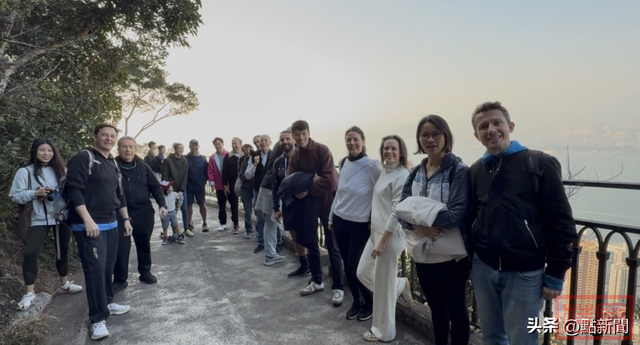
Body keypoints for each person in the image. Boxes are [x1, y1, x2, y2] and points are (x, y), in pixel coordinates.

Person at [467, 101, 576, 345]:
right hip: (483, 267)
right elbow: (471, 218)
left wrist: (556, 273)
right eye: (483, 126)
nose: (491, 129)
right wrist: (472, 262)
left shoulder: (538, 164)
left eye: (497, 122)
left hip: (525, 272)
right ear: (477, 136)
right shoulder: (476, 171)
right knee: (492, 335)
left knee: (522, 339)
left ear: (511, 126)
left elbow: (561, 221)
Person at [397, 115, 471, 345]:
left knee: (456, 310)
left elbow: (455, 214)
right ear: (419, 140)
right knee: (436, 309)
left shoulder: (458, 170)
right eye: (425, 135)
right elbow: (401, 211)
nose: (430, 139)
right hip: (424, 253)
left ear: (446, 136)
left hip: (451, 257)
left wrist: (418, 218)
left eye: (435, 134)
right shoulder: (416, 171)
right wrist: (419, 225)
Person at [64, 124, 132, 341]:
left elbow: (118, 194)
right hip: (89, 227)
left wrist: (126, 219)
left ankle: (108, 302)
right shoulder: (84, 157)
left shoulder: (111, 162)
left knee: (107, 267)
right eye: (105, 135)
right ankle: (97, 319)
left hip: (111, 224)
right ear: (95, 137)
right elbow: (73, 189)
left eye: (112, 136)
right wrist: (87, 220)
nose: (109, 139)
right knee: (94, 270)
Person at [9, 138, 83, 311]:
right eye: (42, 150)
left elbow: (71, 192)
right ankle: (29, 292)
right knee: (31, 252)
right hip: (38, 218)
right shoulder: (25, 172)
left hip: (60, 217)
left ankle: (64, 283)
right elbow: (14, 195)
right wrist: (35, 193)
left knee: (62, 251)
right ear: (35, 152)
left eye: (49, 151)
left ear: (54, 152)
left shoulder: (61, 170)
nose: (46, 154)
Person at [356, 135, 413, 342]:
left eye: (393, 149)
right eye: (386, 148)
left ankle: (384, 332)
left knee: (382, 288)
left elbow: (398, 211)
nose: (389, 152)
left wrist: (382, 241)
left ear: (401, 151)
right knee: (362, 272)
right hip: (376, 234)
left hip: (389, 238)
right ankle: (398, 285)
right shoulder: (385, 171)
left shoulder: (402, 175)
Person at [287, 120, 344, 305]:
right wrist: (313, 178)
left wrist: (306, 187)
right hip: (307, 206)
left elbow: (330, 182)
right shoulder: (294, 157)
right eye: (297, 134)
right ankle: (317, 281)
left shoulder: (322, 150)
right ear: (293, 135)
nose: (300, 137)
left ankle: (338, 287)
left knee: (332, 246)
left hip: (327, 203)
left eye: (303, 133)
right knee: (311, 243)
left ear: (309, 133)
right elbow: (290, 183)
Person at [329, 126, 382, 320]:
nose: (352, 143)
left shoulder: (372, 165)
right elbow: (340, 192)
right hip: (340, 220)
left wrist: (376, 220)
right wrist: (330, 217)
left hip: (360, 224)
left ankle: (370, 302)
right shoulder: (343, 162)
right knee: (347, 266)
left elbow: (382, 193)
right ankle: (357, 301)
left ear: (363, 141)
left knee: (356, 268)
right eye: (348, 139)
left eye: (355, 139)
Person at [112, 136, 168, 294]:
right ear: (119, 149)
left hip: (143, 211)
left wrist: (162, 205)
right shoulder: (112, 166)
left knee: (143, 243)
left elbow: (155, 187)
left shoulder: (143, 167)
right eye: (124, 147)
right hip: (121, 213)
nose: (128, 150)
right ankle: (120, 279)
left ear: (135, 149)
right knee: (122, 247)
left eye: (131, 147)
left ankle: (145, 272)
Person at [244, 135, 271, 253]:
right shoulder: (254, 156)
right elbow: (247, 175)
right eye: (261, 141)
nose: (263, 143)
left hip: (271, 191)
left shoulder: (275, 155)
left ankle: (278, 242)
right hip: (258, 191)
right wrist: (255, 164)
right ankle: (261, 242)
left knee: (274, 218)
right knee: (260, 218)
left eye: (265, 141)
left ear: (270, 142)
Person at [162, 143, 191, 236]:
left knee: (184, 209)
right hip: (171, 189)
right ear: (174, 149)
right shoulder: (167, 161)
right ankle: (175, 231)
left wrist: (182, 189)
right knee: (172, 211)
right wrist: (167, 187)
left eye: (182, 148)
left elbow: (185, 176)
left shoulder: (185, 161)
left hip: (181, 189)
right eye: (179, 148)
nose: (181, 150)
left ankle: (186, 228)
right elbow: (165, 175)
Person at [186, 139, 209, 232]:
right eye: (192, 145)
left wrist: (203, 181)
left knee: (202, 204)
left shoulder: (203, 158)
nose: (194, 147)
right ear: (189, 146)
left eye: (196, 145)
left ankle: (204, 222)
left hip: (200, 186)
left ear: (198, 146)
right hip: (188, 186)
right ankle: (189, 222)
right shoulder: (185, 158)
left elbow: (206, 172)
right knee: (189, 205)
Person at [222, 137, 243, 234]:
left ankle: (249, 226)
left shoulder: (245, 155)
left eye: (236, 143)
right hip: (232, 184)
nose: (234, 145)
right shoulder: (228, 156)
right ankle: (235, 223)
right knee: (234, 205)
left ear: (240, 144)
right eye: (232, 144)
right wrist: (225, 185)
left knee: (248, 205)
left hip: (244, 184)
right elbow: (224, 171)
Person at [208, 137, 229, 231]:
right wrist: (212, 184)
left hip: (229, 184)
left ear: (222, 143)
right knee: (221, 205)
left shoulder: (228, 154)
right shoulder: (212, 158)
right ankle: (223, 223)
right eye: (216, 144)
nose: (217, 145)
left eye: (219, 143)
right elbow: (210, 171)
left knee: (233, 204)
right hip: (219, 185)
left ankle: (235, 223)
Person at [238, 144, 256, 239]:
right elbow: (241, 175)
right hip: (246, 188)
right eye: (243, 150)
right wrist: (247, 176)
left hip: (255, 188)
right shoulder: (243, 160)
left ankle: (259, 228)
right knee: (247, 211)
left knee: (258, 210)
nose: (246, 152)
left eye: (247, 150)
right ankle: (248, 230)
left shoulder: (257, 159)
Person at [160, 181, 186, 245]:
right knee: (165, 226)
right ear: (167, 189)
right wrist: (161, 213)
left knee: (176, 224)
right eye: (170, 186)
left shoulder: (174, 194)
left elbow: (180, 198)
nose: (172, 187)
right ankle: (165, 237)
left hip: (173, 212)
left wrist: (179, 205)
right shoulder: (162, 196)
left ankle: (180, 236)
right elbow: (160, 205)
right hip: (165, 213)